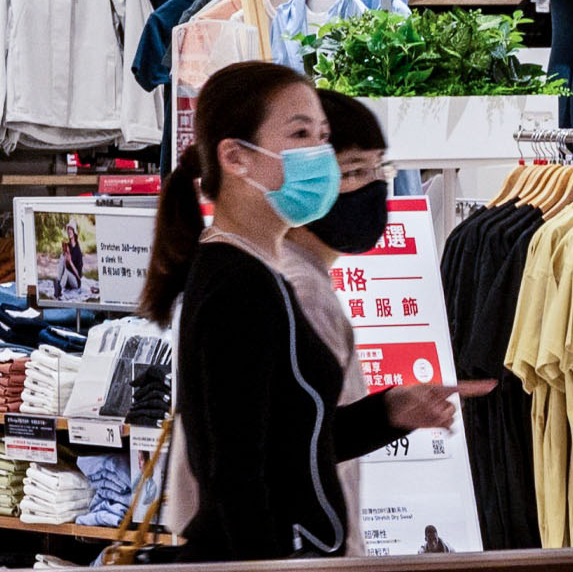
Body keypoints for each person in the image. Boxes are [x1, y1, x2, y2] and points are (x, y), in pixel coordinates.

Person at [139, 62, 468, 561]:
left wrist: (388, 412)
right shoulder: (238, 283)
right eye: (299, 135)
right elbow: (235, 474)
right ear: (236, 157)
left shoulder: (252, 271)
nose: (319, 155)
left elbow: (291, 443)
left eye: (322, 137)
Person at [275, 90, 397, 557]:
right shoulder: (300, 290)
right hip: (308, 550)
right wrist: (389, 414)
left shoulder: (305, 277)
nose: (374, 187)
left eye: (379, 168)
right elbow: (298, 445)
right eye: (352, 172)